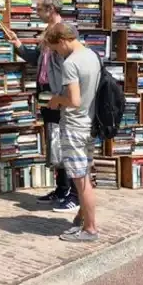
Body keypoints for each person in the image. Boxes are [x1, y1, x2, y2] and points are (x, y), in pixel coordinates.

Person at [4, 0, 80, 212]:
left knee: (66, 142)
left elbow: (74, 63)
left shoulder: (65, 31)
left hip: (60, 95)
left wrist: (66, 95)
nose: (36, 12)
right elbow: (36, 59)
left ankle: (75, 195)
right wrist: (18, 44)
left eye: (39, 9)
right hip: (46, 94)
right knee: (53, 141)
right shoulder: (46, 33)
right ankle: (61, 188)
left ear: (51, 9)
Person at [44, 23, 101, 242]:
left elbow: (74, 101)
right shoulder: (92, 55)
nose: (57, 53)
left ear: (63, 41)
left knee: (80, 179)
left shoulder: (71, 63)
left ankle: (90, 229)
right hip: (89, 123)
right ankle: (82, 219)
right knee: (85, 173)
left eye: (56, 48)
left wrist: (57, 99)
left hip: (75, 126)